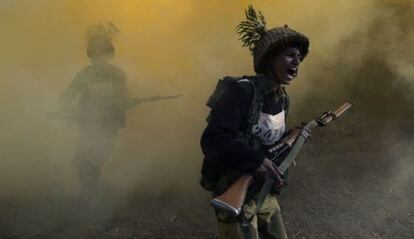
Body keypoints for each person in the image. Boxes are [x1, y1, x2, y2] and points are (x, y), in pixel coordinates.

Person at [200, 6, 309, 239]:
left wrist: (292, 141)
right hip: (235, 192)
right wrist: (255, 160)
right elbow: (214, 139)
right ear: (270, 58)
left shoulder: (282, 99)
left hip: (265, 193)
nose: (297, 61)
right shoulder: (242, 92)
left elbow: (268, 142)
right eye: (290, 54)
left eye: (299, 57)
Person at [60, 23, 134, 203]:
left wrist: (126, 103)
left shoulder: (117, 75)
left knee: (95, 159)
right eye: (97, 53)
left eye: (104, 53)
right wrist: (70, 109)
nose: (100, 57)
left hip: (109, 126)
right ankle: (87, 194)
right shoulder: (84, 75)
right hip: (87, 124)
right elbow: (67, 95)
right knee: (82, 160)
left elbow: (123, 99)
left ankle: (89, 196)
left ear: (110, 54)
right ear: (91, 55)